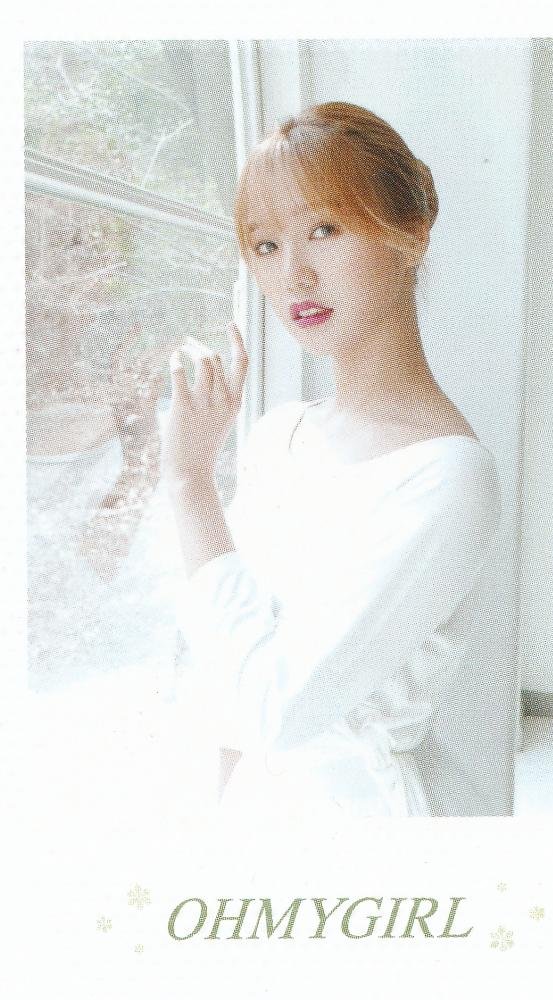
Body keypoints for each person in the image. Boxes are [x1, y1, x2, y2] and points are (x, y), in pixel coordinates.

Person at [161, 101, 502, 820]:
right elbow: (225, 689)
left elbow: (276, 711)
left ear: (410, 233)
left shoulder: (446, 476)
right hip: (247, 819)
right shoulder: (276, 436)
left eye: (323, 229)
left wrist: (190, 485)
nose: (294, 275)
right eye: (265, 246)